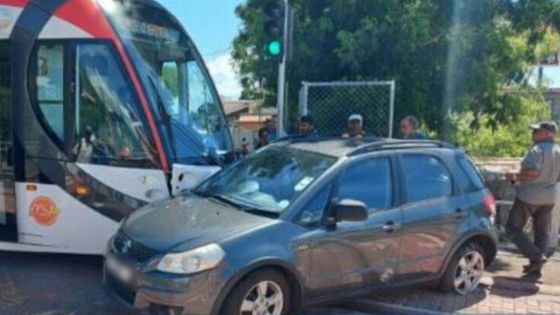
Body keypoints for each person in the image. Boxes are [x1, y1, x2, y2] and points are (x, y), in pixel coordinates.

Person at [505, 121, 560, 275]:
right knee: (542, 233)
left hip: (529, 197)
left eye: (537, 131)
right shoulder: (558, 151)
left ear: (548, 134)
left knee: (512, 228)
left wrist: (514, 176)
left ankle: (536, 257)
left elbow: (533, 172)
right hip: (549, 198)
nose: (533, 133)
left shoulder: (537, 149)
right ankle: (537, 269)